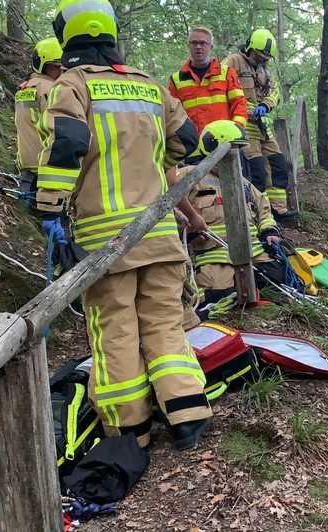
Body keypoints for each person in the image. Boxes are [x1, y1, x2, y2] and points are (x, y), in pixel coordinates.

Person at [36, 0, 212, 451]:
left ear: (68, 35)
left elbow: (65, 147)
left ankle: (129, 431)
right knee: (164, 323)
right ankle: (188, 414)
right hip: (159, 234)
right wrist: (151, 164)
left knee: (114, 328)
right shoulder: (150, 86)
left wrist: (50, 208)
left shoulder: (71, 85)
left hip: (104, 242)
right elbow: (187, 140)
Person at [167, 120, 287, 319]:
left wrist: (270, 232)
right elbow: (167, 208)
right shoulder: (187, 177)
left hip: (253, 253)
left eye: (238, 150)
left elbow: (264, 211)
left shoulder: (245, 184)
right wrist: (186, 230)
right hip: (212, 255)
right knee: (217, 295)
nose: (236, 156)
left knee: (278, 277)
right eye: (233, 150)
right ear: (214, 148)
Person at [223, 29, 298, 221]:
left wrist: (266, 105)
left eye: (265, 57)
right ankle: (259, 213)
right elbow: (220, 85)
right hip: (243, 126)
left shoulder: (266, 69)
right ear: (249, 48)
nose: (261, 59)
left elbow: (274, 92)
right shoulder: (233, 61)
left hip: (263, 126)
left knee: (278, 165)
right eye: (258, 55)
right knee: (256, 170)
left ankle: (278, 210)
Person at [167, 27, 248, 137]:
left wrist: (235, 132)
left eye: (203, 43)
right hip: (192, 146)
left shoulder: (226, 73)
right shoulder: (176, 80)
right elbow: (172, 115)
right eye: (194, 43)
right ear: (188, 46)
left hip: (224, 141)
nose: (198, 47)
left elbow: (239, 105)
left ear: (210, 47)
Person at [14, 37, 63, 205]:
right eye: (55, 67)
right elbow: (60, 124)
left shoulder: (24, 87)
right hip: (46, 162)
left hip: (27, 160)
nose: (60, 71)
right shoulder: (50, 89)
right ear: (42, 65)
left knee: (24, 208)